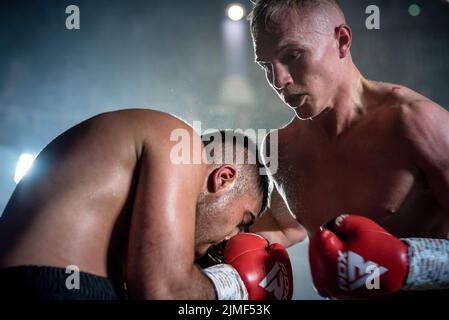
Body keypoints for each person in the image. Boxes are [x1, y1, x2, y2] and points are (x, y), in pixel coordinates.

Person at [247, 0, 449, 298]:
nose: (279, 81)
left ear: (341, 40)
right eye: (266, 65)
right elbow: (284, 223)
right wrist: (232, 260)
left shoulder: (414, 123)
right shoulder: (282, 146)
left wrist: (414, 263)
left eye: (292, 55)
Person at [0, 108, 293, 300]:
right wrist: (236, 284)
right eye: (242, 221)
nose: (232, 237)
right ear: (224, 177)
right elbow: (164, 292)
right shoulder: (182, 145)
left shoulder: (130, 200)